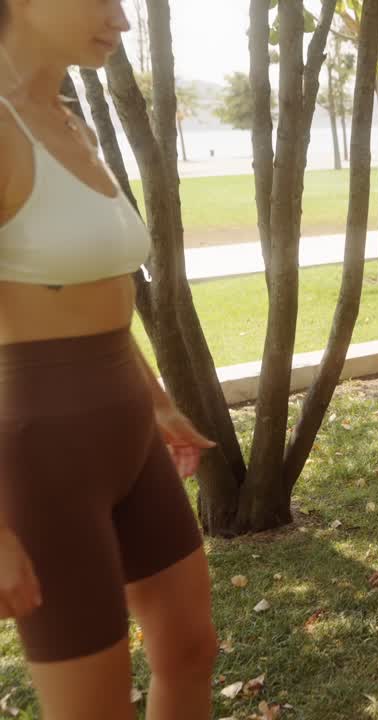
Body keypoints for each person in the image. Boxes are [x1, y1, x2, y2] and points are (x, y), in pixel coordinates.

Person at [0, 1, 218, 718]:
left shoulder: (70, 120)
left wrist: (154, 399)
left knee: (190, 652)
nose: (121, 21)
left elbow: (104, 291)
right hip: (41, 459)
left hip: (129, 432)